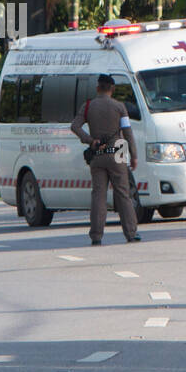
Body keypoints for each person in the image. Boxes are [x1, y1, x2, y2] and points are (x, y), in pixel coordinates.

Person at [70, 74, 140, 245]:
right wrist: (134, 155)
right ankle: (131, 233)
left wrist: (89, 140)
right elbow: (128, 132)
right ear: (112, 89)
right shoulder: (119, 106)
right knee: (123, 193)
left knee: (98, 195)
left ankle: (96, 236)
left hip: (97, 151)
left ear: (97, 88)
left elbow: (74, 126)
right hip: (118, 149)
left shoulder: (88, 106)